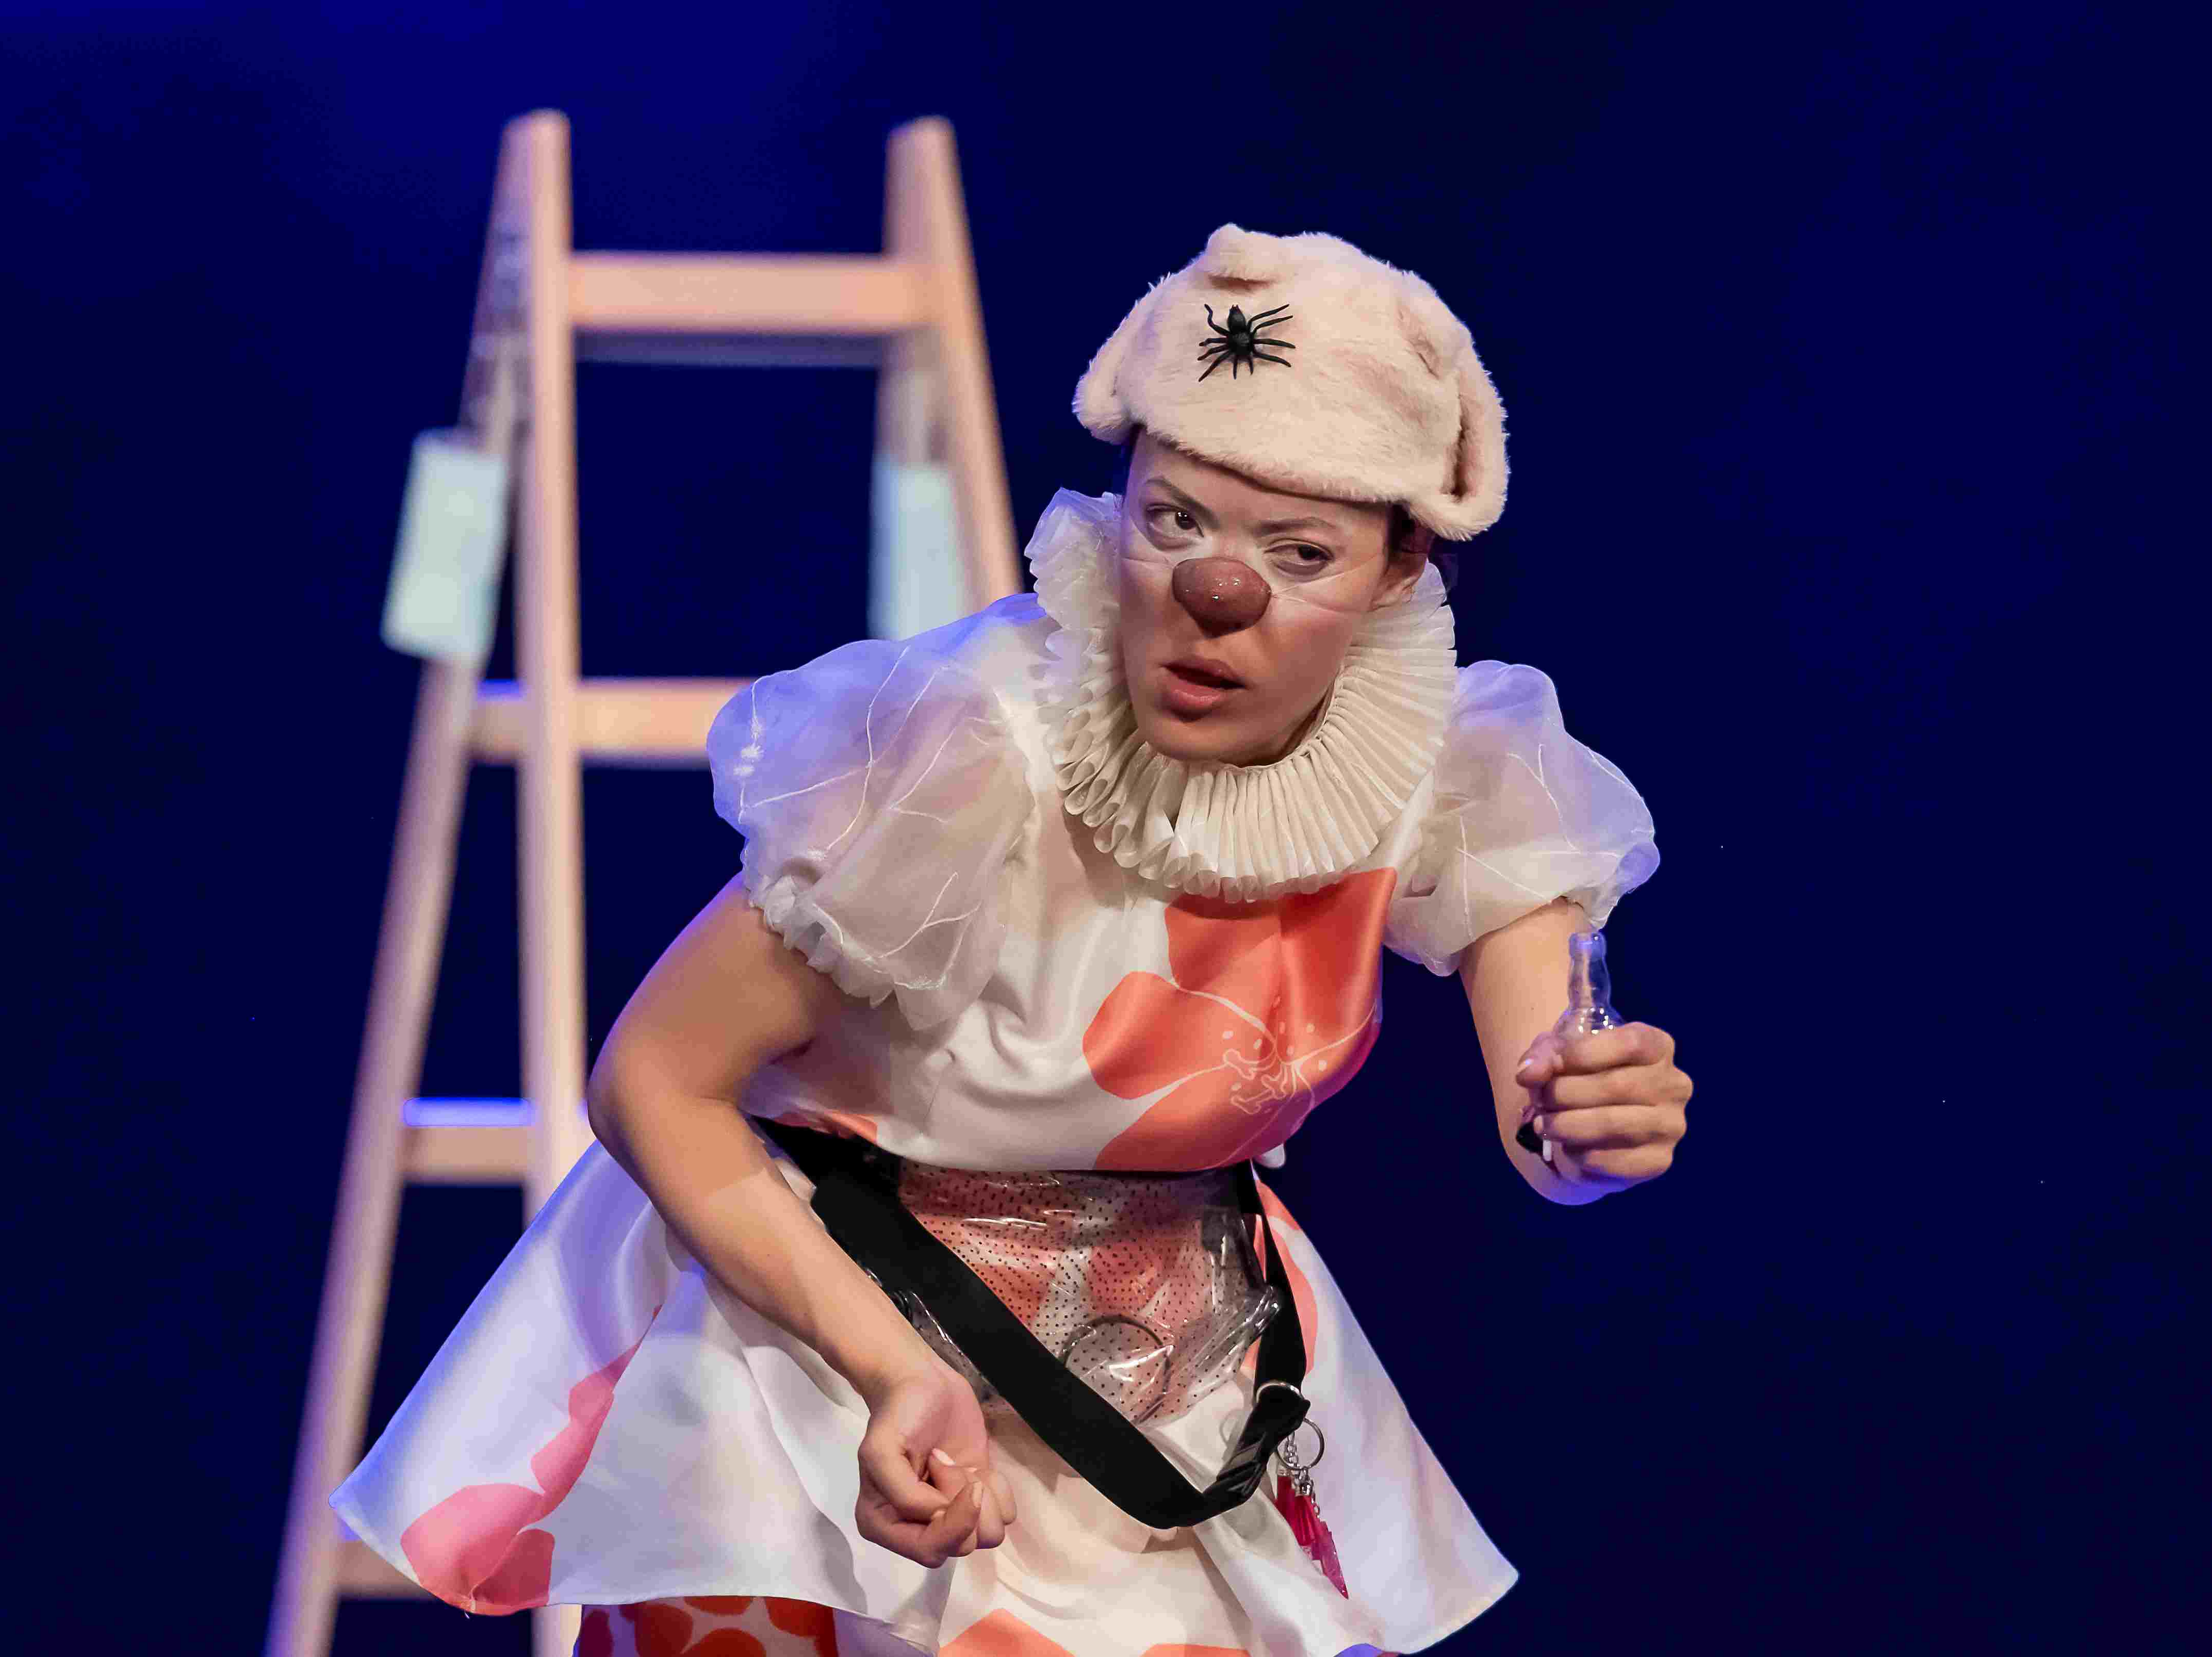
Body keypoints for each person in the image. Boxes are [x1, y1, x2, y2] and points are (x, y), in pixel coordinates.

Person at [331, 224, 1692, 1657]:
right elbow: (655, 1079)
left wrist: (1591, 1134)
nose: (1214, 593)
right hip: (827, 1356)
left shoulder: (1449, 769)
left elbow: (1553, 1115)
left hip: (1169, 1373)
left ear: (1400, 571)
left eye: (1299, 553)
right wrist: (884, 1366)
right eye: (1175, 521)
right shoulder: (973, 746)